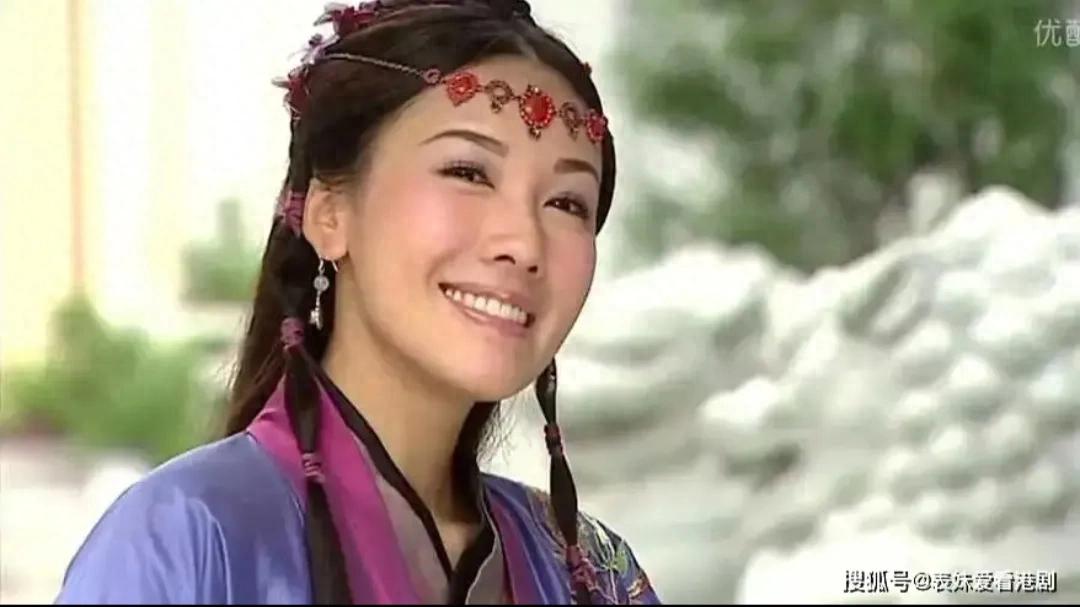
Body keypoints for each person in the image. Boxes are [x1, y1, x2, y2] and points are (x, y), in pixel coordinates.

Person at [55, 0, 659, 604]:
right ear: (329, 214)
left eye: (567, 203)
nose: (524, 244)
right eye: (469, 172)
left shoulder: (590, 573)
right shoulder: (186, 536)